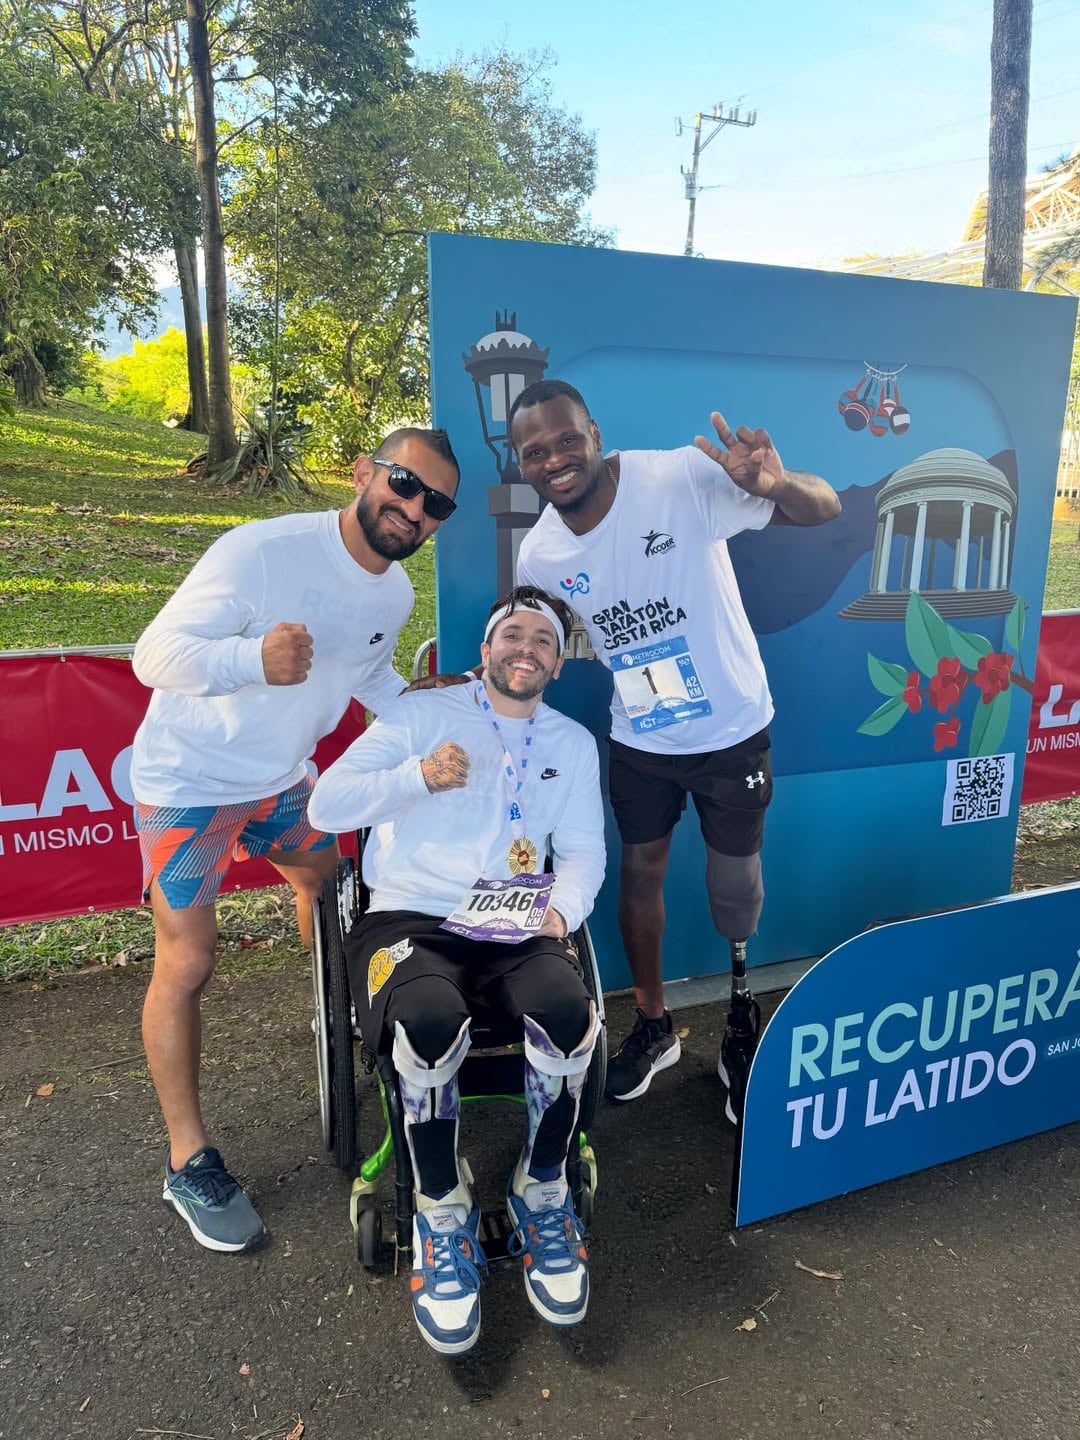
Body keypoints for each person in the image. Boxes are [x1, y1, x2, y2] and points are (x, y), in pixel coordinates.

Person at [130, 426, 462, 1253]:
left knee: (328, 879)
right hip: (190, 784)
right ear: (364, 472)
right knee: (188, 961)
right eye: (404, 483)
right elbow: (152, 655)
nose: (415, 509)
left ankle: (334, 1014)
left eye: (436, 503)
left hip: (282, 781)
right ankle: (187, 1161)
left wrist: (433, 706)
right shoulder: (261, 551)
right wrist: (251, 659)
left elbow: (369, 676)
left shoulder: (393, 595)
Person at [512, 380, 840, 1108]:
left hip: (731, 729)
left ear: (595, 434)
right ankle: (655, 1025)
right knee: (639, 876)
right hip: (641, 733)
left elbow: (824, 508)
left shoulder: (677, 477)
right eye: (535, 452)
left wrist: (779, 483)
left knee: (735, 885)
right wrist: (477, 687)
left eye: (567, 440)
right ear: (522, 463)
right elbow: (530, 641)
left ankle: (741, 1014)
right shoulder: (540, 554)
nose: (555, 460)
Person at [308, 586, 604, 1356]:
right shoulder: (420, 716)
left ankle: (542, 1186)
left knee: (570, 1014)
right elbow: (327, 805)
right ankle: (442, 1207)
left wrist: (561, 913)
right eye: (514, 634)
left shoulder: (572, 743)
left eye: (544, 641)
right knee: (427, 1022)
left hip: (513, 918)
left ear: (557, 665)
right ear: (485, 649)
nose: (527, 648)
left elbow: (583, 851)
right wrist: (418, 777)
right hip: (409, 915)